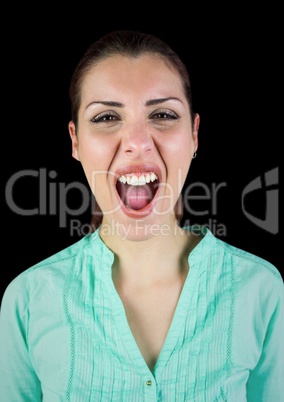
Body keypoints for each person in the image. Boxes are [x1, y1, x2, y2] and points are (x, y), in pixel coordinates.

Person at [0, 30, 283, 402]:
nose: (137, 141)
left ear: (195, 135)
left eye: (163, 114)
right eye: (105, 117)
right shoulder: (28, 300)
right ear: (75, 141)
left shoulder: (262, 290)